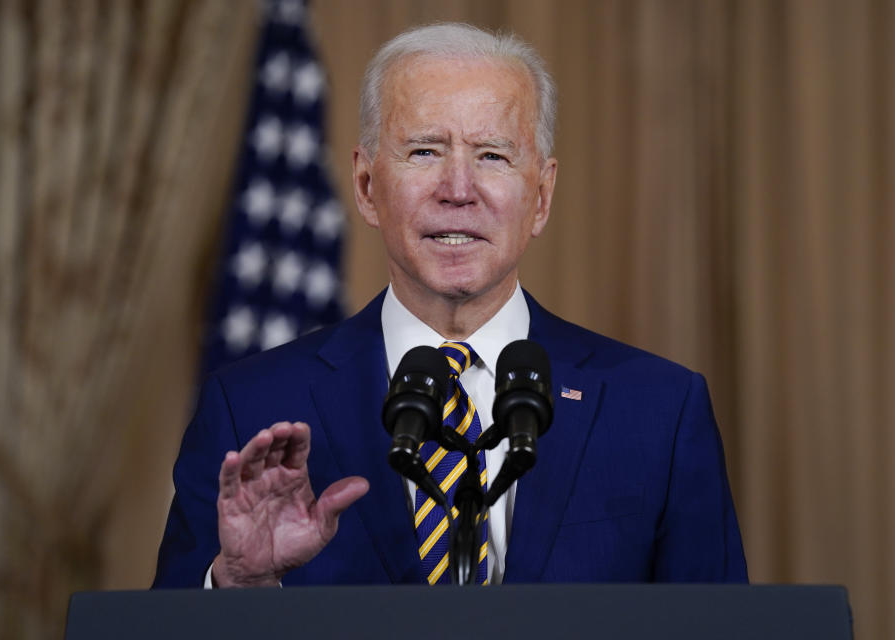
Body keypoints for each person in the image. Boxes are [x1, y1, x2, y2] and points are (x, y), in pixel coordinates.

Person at [153, 22, 747, 589]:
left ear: (540, 196)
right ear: (366, 187)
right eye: (424, 152)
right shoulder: (250, 409)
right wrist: (242, 584)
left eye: (492, 155)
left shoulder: (659, 413)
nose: (458, 189)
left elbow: (721, 630)